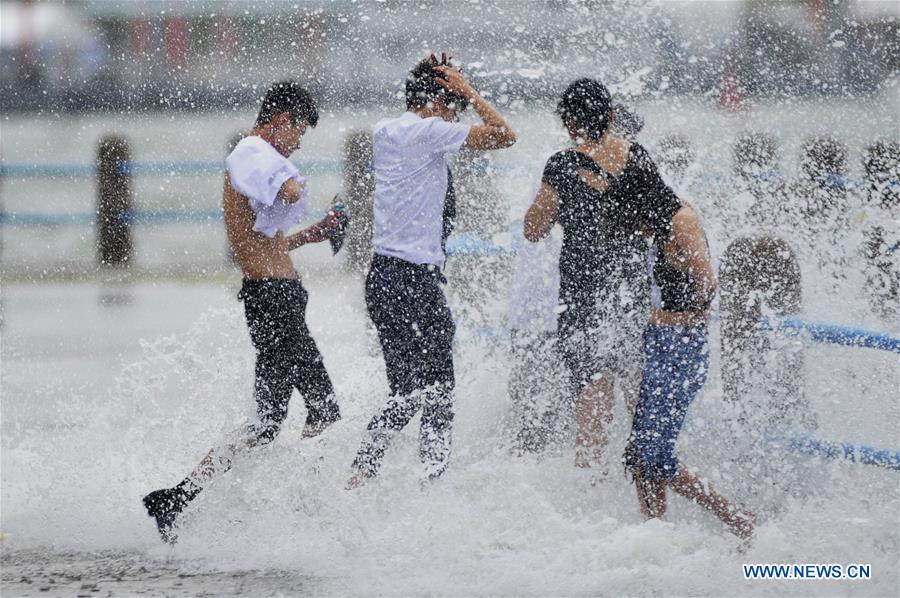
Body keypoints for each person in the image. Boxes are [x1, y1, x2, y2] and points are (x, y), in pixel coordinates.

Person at [143, 81, 344, 543]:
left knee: (266, 425)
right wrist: (293, 184)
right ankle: (308, 515)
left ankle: (176, 499)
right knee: (324, 409)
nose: (298, 143)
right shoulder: (252, 152)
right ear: (281, 121)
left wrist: (312, 234)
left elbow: (265, 244)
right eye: (299, 133)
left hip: (272, 297)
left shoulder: (256, 157)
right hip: (275, 301)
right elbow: (287, 190)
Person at [347, 54, 516, 487]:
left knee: (405, 392)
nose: (455, 115)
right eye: (453, 106)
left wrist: (445, 84)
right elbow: (505, 135)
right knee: (440, 388)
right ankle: (432, 481)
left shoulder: (386, 131)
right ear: (438, 101)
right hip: (414, 280)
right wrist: (469, 91)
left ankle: (361, 473)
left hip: (382, 278)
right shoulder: (427, 132)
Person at [523, 79, 656, 471]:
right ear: (611, 116)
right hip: (630, 295)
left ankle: (589, 488)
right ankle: (644, 484)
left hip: (581, 299)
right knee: (638, 398)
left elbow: (533, 229)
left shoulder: (562, 165)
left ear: (568, 123)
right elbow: (659, 219)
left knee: (590, 411)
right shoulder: (636, 157)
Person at [624, 201, 756, 539]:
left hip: (679, 346)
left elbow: (707, 283)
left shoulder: (680, 218)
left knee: (654, 456)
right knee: (639, 455)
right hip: (658, 340)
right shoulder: (652, 215)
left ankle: (738, 519)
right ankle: (655, 531)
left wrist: (689, 317)